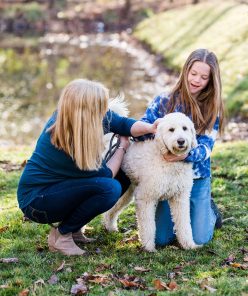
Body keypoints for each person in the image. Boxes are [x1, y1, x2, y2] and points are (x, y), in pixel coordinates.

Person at [17, 78, 157, 256]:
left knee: (121, 176)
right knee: (109, 188)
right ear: (85, 110)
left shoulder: (83, 118)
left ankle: (73, 229)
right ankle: (62, 236)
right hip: (37, 201)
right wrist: (122, 146)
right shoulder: (63, 142)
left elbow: (124, 124)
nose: (104, 111)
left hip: (59, 188)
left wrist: (151, 127)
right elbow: (106, 175)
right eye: (100, 106)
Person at [139, 49, 225, 246]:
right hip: (165, 175)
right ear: (186, 70)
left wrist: (182, 155)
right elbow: (144, 127)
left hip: (197, 175)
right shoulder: (163, 101)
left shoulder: (213, 107)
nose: (196, 80)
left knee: (200, 238)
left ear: (211, 80)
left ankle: (209, 212)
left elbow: (205, 149)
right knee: (161, 239)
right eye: (193, 73)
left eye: (204, 77)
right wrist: (148, 128)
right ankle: (182, 217)